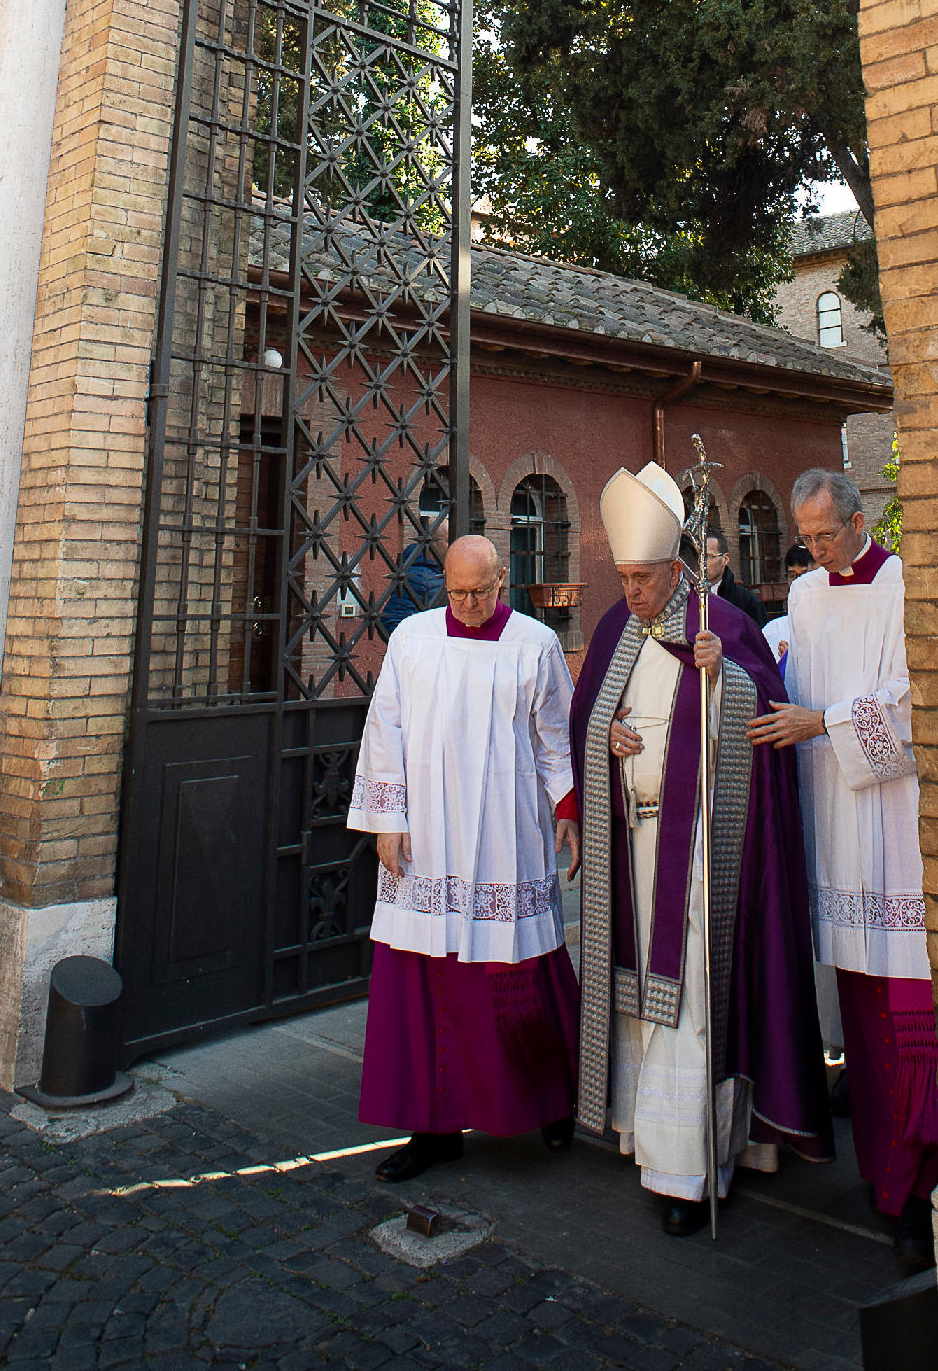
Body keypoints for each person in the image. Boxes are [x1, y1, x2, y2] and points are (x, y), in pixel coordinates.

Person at [569, 463, 831, 1236]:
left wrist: (727, 681)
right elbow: (587, 720)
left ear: (675, 568)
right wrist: (604, 739)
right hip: (635, 841)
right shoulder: (617, 626)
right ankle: (640, 1133)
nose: (633, 592)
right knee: (642, 995)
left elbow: (767, 715)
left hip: (704, 856)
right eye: (622, 577)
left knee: (690, 997)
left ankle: (687, 1169)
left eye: (644, 578)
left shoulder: (724, 623)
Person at [748, 468, 938, 1271]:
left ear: (861, 522)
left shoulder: (904, 590)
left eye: (826, 535)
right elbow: (779, 689)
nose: (816, 549)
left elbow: (910, 707)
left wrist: (819, 722)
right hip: (833, 825)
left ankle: (925, 1188)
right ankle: (885, 1178)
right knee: (860, 1023)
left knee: (910, 1021)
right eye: (807, 538)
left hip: (895, 831)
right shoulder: (804, 598)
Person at [349, 531, 582, 1180]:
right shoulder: (412, 640)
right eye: (457, 592)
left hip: (507, 839)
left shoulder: (534, 645)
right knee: (426, 988)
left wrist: (566, 811)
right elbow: (384, 730)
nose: (470, 603)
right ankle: (433, 1129)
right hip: (425, 839)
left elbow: (556, 738)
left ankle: (552, 1102)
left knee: (518, 984)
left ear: (502, 582)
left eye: (481, 591)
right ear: (442, 586)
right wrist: (385, 820)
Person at [379, 515, 447, 635]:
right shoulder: (418, 577)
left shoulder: (441, 572)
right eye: (449, 540)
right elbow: (392, 622)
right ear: (435, 543)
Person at [762, 543, 816, 673]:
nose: (798, 582)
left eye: (803, 574)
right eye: (792, 575)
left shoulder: (832, 624)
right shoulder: (774, 630)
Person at [701, 535, 764, 628]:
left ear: (725, 559)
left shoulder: (748, 602)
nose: (701, 563)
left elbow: (759, 640)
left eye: (708, 556)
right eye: (698, 556)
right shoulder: (687, 598)